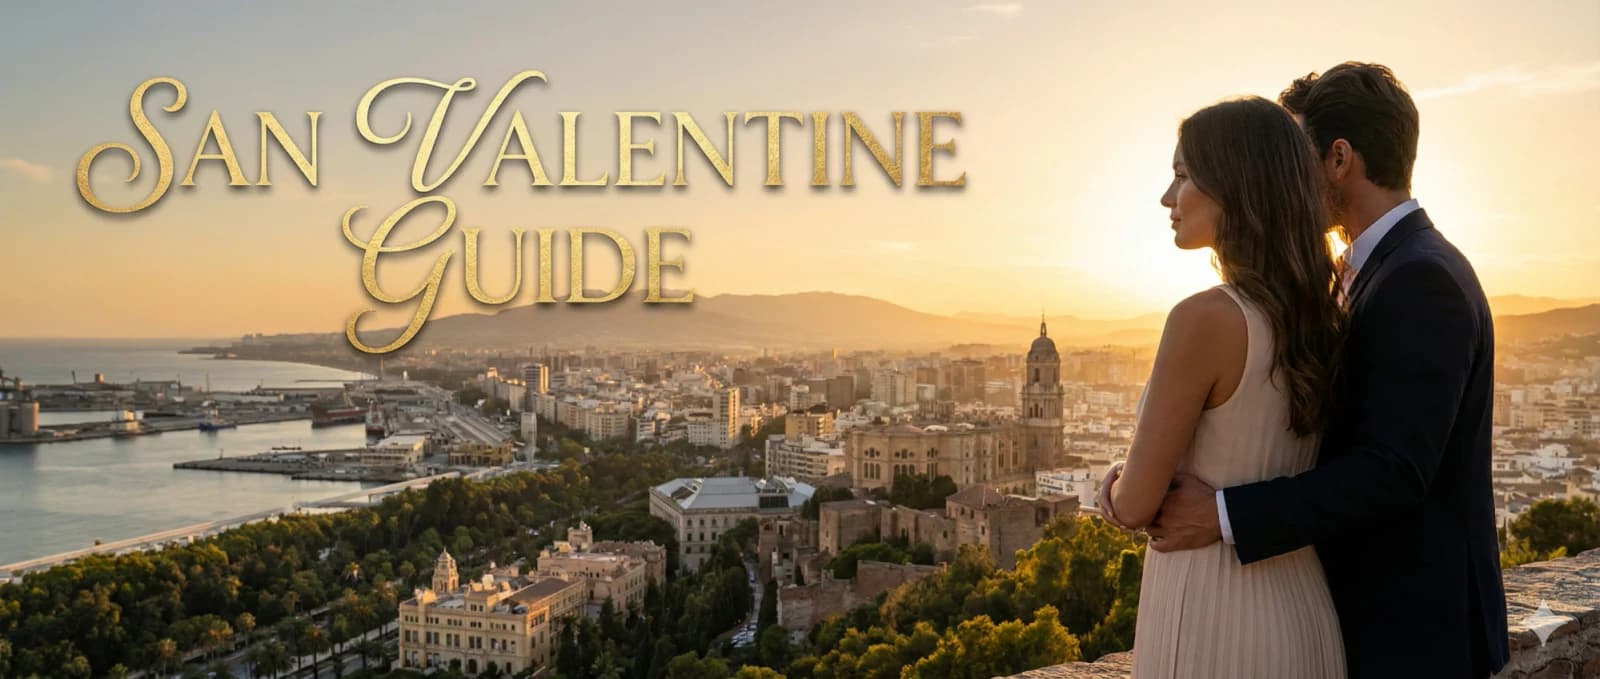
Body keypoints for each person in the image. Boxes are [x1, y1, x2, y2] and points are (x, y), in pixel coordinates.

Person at [1121, 63, 1510, 678]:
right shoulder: (1349, 282)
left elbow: (1393, 471)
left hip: (1410, 632)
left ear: (1337, 159)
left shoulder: (1420, 277)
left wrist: (1222, 513)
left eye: (1294, 158)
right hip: (1329, 613)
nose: (1285, 179)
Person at [1098, 95, 1347, 678]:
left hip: (1211, 606)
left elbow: (1136, 506)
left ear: (1234, 186)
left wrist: (1110, 487)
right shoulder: (1326, 315)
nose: (1167, 197)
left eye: (1182, 175)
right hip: (1303, 608)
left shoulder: (1203, 319)